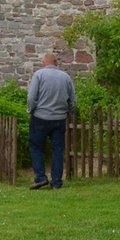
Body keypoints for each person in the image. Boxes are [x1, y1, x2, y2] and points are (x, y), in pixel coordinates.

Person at [27, 52, 77, 190]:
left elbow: (31, 97)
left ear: (44, 63)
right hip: (59, 118)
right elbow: (73, 101)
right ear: (57, 63)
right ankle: (56, 182)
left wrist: (31, 110)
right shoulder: (65, 77)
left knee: (36, 147)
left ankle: (41, 177)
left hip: (40, 118)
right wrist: (68, 113)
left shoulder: (39, 75)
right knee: (57, 150)